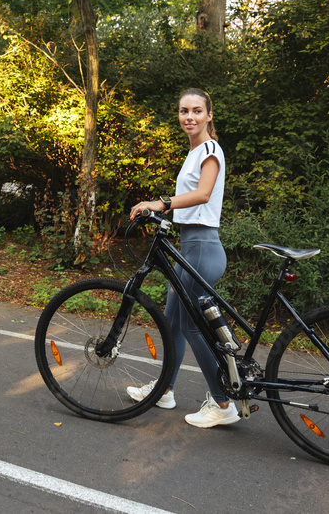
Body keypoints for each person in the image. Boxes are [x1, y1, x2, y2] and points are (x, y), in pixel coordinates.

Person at [127, 87, 238, 428]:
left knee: (190, 324)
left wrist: (160, 203)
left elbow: (203, 194)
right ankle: (165, 390)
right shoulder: (193, 151)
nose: (189, 116)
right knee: (173, 321)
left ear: (209, 115)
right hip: (189, 247)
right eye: (183, 111)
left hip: (203, 248)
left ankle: (223, 403)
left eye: (196, 111)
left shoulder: (210, 149)